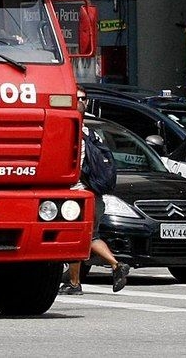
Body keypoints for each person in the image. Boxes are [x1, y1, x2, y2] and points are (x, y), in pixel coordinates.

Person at [59, 89, 130, 295]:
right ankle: (113, 267)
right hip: (95, 194)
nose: (80, 102)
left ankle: (76, 282)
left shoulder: (71, 131)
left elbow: (73, 166)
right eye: (78, 98)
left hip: (79, 194)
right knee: (90, 236)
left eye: (81, 98)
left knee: (74, 237)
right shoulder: (92, 132)